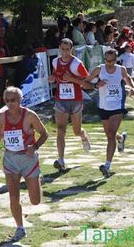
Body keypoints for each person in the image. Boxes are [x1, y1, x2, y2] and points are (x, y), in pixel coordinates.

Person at [0, 86, 48, 242]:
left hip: (29, 160)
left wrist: (34, 147)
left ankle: (37, 181)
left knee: (35, 201)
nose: (10, 103)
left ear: (20, 100)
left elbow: (44, 133)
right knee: (13, 196)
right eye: (7, 100)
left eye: (13, 100)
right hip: (11, 159)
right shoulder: (2, 117)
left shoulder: (30, 116)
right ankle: (20, 228)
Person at [69, 49, 134, 177]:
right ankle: (121, 138)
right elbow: (85, 83)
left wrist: (133, 88)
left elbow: (128, 79)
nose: (109, 63)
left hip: (117, 105)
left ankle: (107, 166)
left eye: (111, 61)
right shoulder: (99, 70)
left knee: (110, 135)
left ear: (116, 60)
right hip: (103, 106)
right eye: (106, 60)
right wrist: (96, 86)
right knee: (110, 135)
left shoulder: (120, 69)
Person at [48, 38, 91, 172]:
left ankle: (84, 137)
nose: (65, 52)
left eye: (67, 50)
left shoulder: (76, 64)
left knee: (76, 131)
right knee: (60, 130)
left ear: (71, 49)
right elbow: (56, 74)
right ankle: (61, 160)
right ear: (59, 48)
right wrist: (53, 78)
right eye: (62, 49)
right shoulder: (55, 61)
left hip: (75, 100)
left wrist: (72, 79)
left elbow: (88, 83)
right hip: (61, 99)